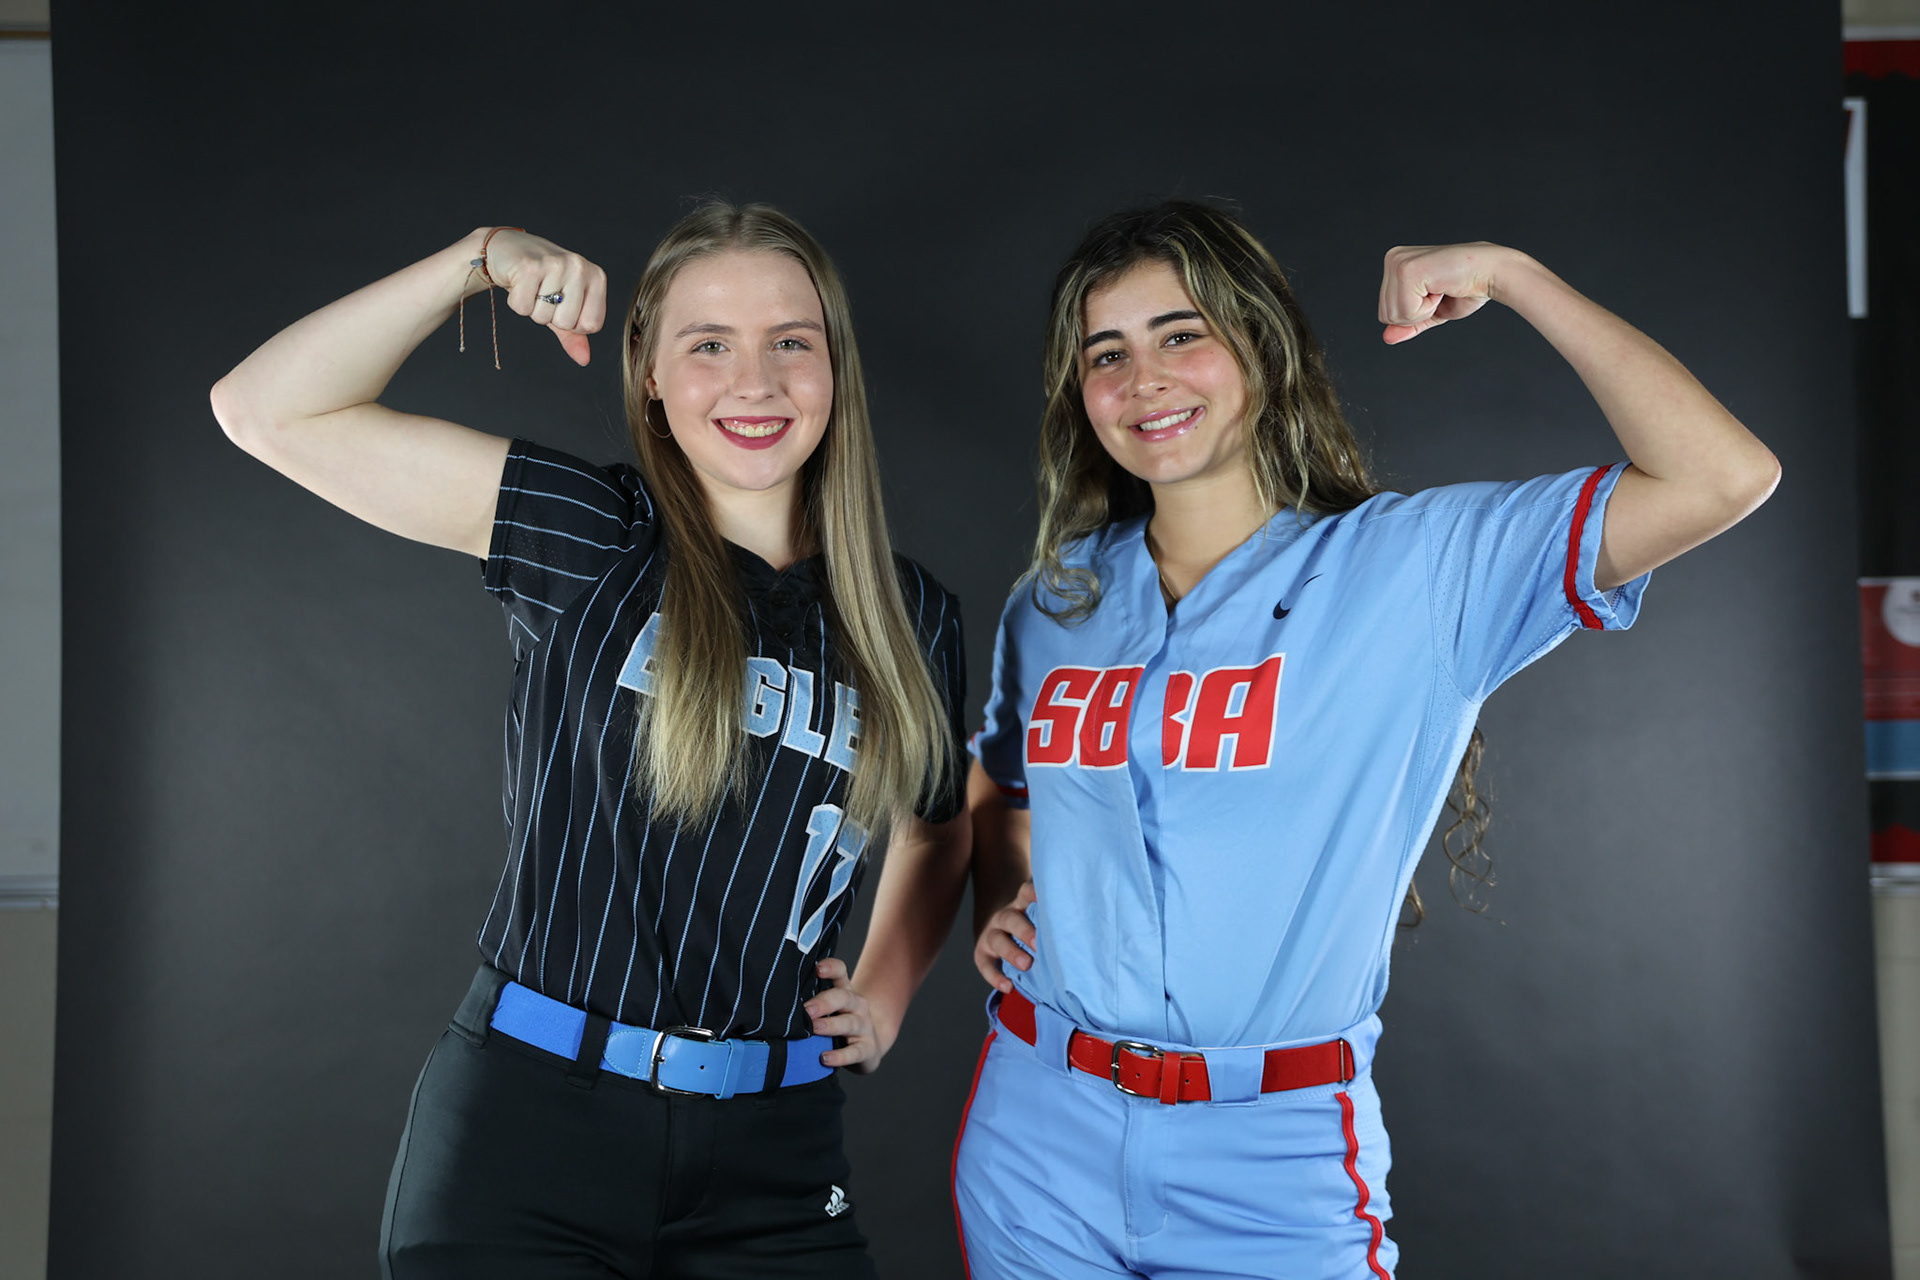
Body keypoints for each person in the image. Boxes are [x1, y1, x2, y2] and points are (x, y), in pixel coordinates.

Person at [956, 201, 1779, 1279]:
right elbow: (1001, 781)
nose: (1144, 377)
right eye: (1106, 353)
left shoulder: (1416, 569)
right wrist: (1003, 902)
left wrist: (1513, 272)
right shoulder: (1055, 600)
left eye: (1181, 333)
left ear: (1261, 345)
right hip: (1038, 1128)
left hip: (1269, 1153)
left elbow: (1721, 474)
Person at [209, 203, 971, 1279]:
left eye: (791, 342)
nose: (754, 381)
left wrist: (885, 995)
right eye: (708, 344)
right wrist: (478, 261)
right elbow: (264, 407)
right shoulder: (592, 535)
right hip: (532, 1133)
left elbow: (942, 832)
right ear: (650, 372)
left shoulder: (913, 616)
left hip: (776, 1153)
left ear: (835, 370)